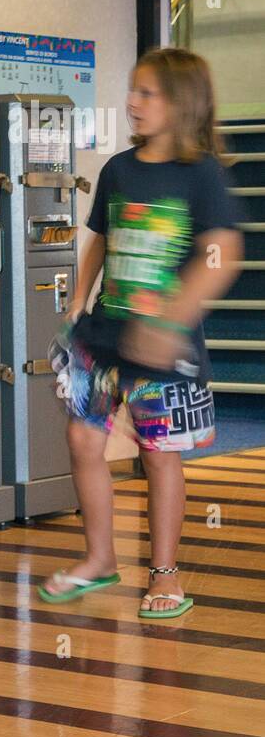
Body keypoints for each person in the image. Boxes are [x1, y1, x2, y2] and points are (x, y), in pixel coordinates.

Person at [38, 48, 243, 619]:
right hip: (104, 335)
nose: (132, 102)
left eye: (147, 93)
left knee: (158, 456)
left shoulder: (201, 175)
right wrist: (79, 300)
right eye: (133, 90)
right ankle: (100, 558)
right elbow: (99, 238)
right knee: (83, 441)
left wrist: (172, 320)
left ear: (182, 104)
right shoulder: (118, 170)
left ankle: (165, 574)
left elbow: (222, 254)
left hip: (164, 347)